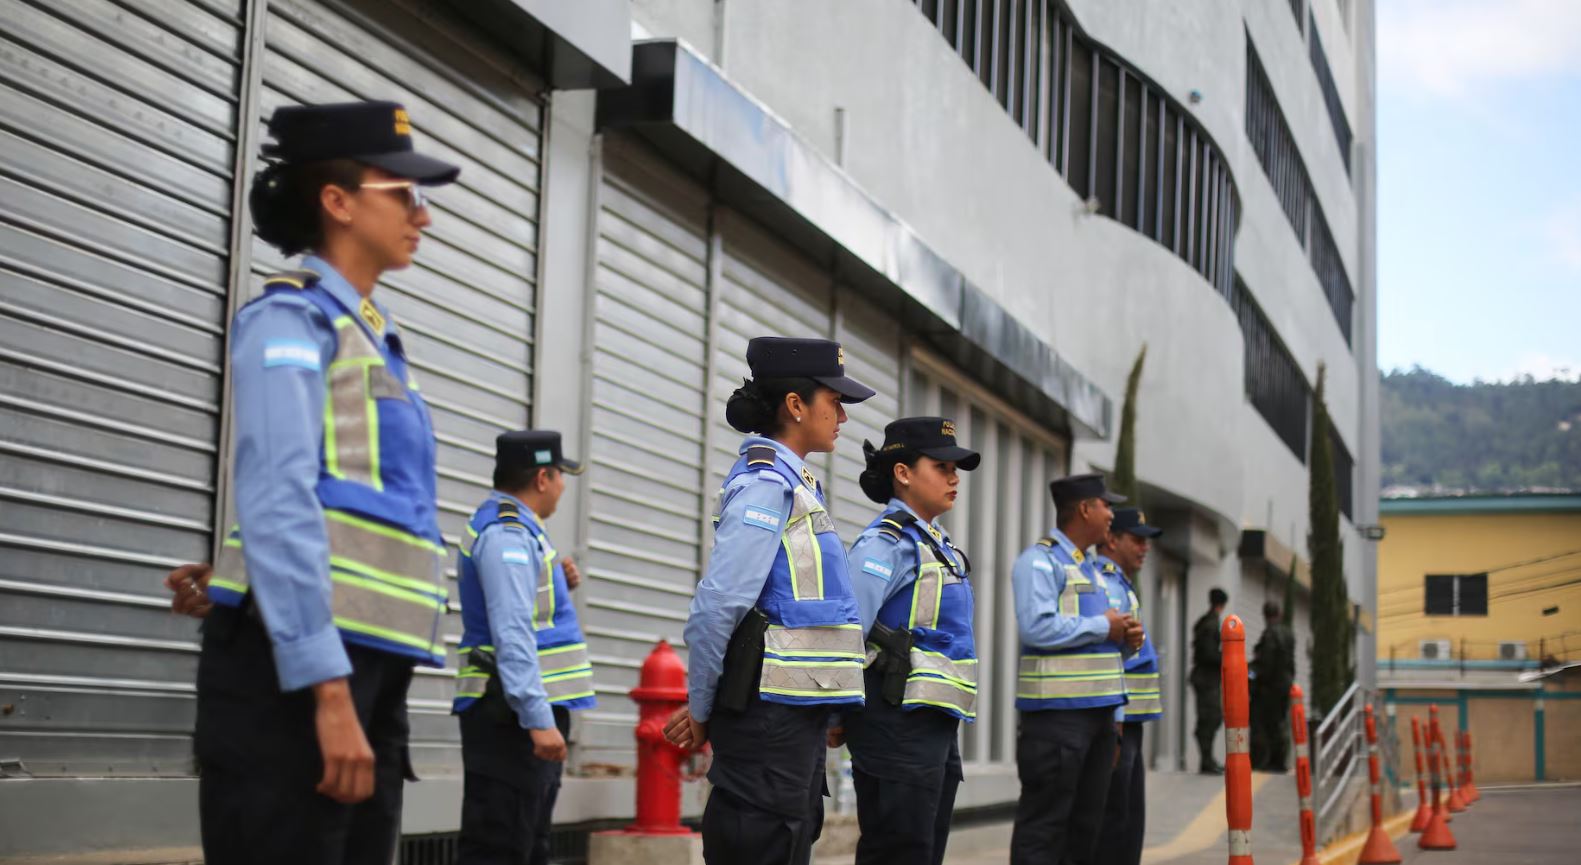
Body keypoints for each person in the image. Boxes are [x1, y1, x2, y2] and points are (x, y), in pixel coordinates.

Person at [169, 101, 460, 865]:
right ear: (336, 201)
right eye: (402, 192)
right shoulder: (289, 322)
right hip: (301, 679)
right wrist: (326, 691)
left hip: (367, 669)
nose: (421, 216)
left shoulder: (370, 335)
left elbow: (342, 508)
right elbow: (275, 493)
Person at [662, 337, 876, 865]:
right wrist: (703, 706)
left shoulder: (798, 487)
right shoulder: (765, 486)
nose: (843, 416)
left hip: (791, 724)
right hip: (765, 726)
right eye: (835, 400)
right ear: (796, 405)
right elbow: (717, 607)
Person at [837, 417, 981, 865]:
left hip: (932, 726)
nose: (954, 477)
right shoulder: (885, 544)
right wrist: (836, 713)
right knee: (898, 852)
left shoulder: (933, 544)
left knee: (921, 850)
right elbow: (847, 631)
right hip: (895, 726)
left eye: (956, 468)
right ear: (902, 473)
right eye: (941, 466)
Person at [453, 430, 595, 863]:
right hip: (510, 717)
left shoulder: (523, 533)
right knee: (502, 847)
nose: (563, 487)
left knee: (527, 844)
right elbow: (512, 631)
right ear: (542, 478)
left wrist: (556, 580)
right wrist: (536, 718)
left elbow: (527, 611)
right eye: (560, 477)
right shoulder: (508, 535)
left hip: (517, 713)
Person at [1009, 473, 1144, 865]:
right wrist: (1106, 626)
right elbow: (1036, 626)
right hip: (1056, 722)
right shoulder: (1039, 561)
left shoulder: (1092, 571)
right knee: (1045, 829)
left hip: (1098, 719)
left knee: (1085, 831)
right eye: (1106, 506)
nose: (1111, 516)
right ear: (1085, 509)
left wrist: (1124, 639)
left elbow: (1093, 644)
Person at [1093, 508, 1164, 865]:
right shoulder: (1104, 583)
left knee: (1127, 819)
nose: (1144, 547)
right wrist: (1116, 723)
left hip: (1130, 720)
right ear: (1111, 539)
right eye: (1136, 539)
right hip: (1117, 719)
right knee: (1114, 821)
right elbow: (1109, 658)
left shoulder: (1121, 583)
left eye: (1146, 540)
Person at [1248, 600, 1296, 772]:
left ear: (1265, 615)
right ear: (1279, 613)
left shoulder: (1269, 635)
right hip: (1284, 685)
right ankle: (1279, 760)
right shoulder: (1288, 634)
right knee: (1280, 723)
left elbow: (1265, 664)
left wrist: (1252, 675)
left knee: (1263, 724)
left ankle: (1267, 761)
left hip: (1270, 688)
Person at [1191, 588, 1229, 775]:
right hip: (1206, 678)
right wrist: (1227, 656)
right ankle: (1206, 760)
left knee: (1210, 718)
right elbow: (1208, 654)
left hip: (1206, 678)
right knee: (1211, 718)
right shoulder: (1211, 624)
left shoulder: (1206, 621)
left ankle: (1208, 759)